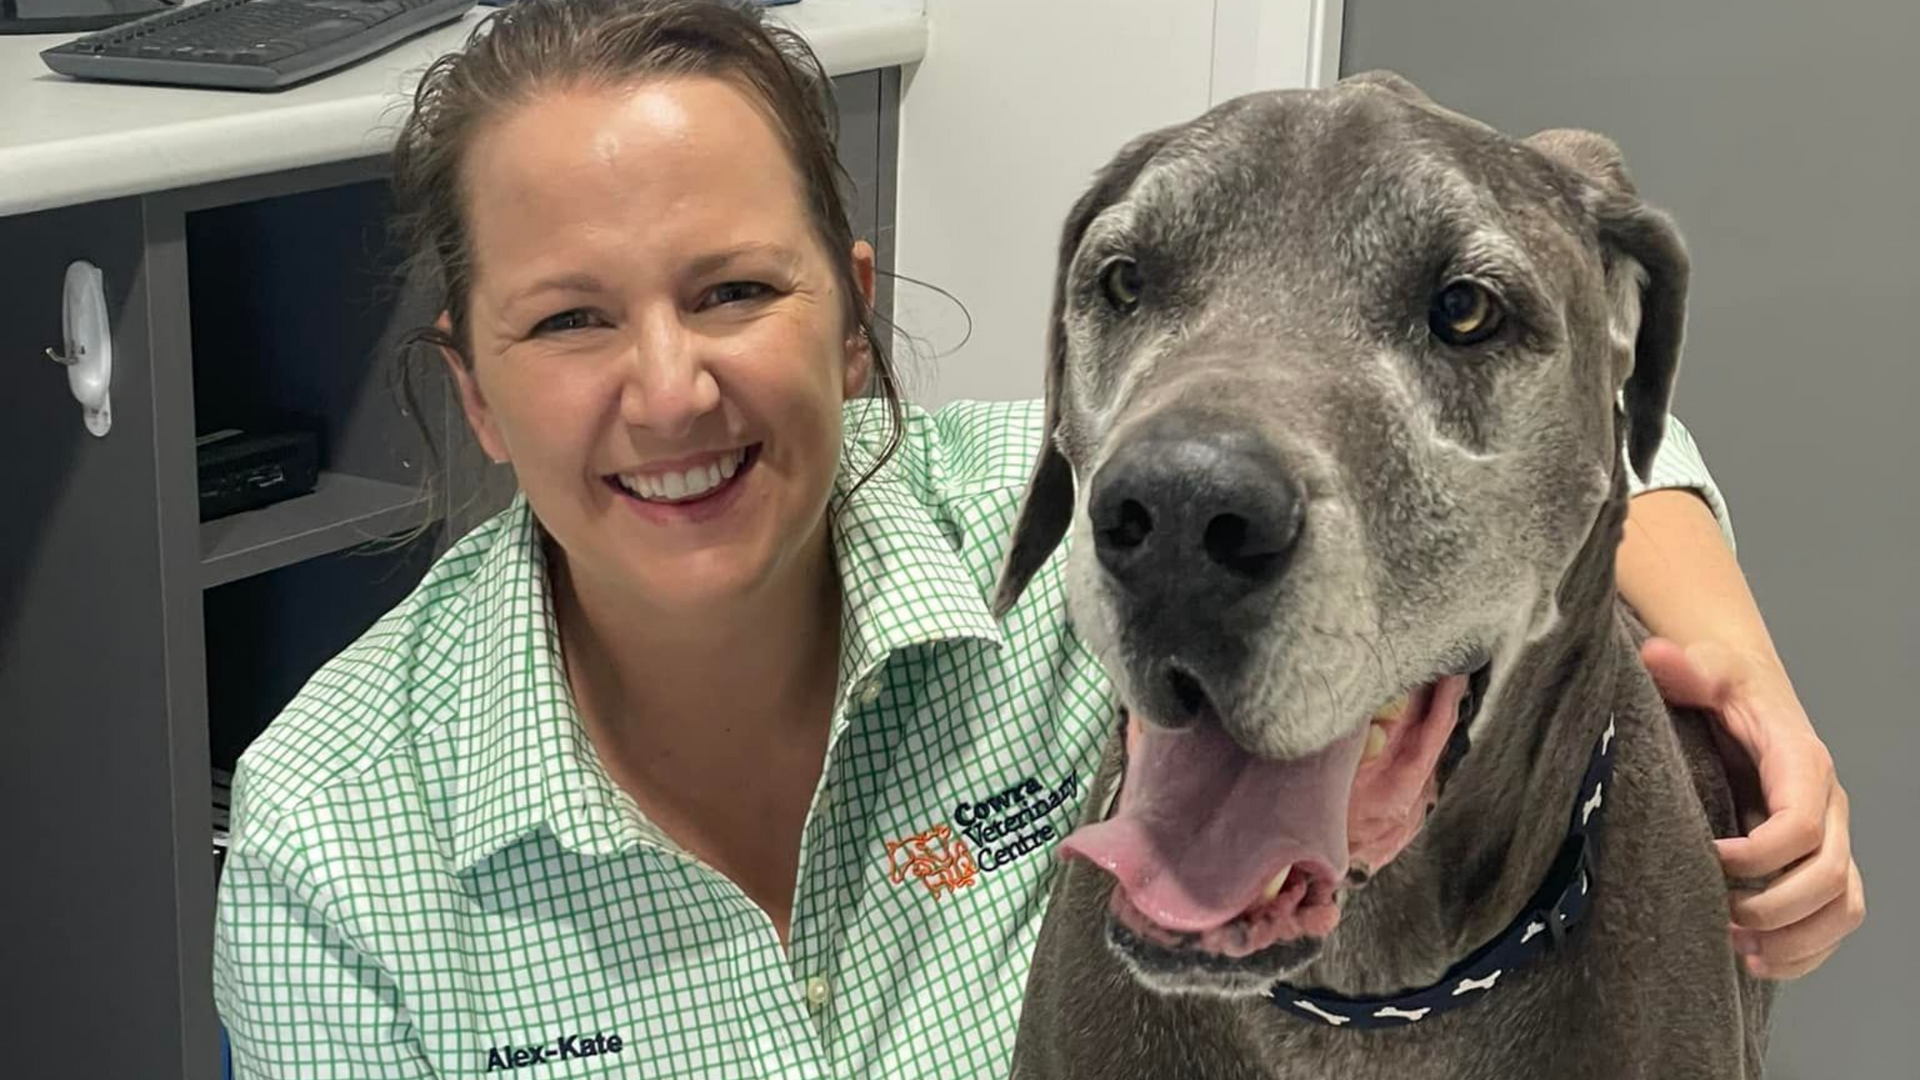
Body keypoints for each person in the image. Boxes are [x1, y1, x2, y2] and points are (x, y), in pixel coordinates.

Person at [211, 0, 1865, 1076]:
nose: (669, 390)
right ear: (475, 393)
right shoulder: (329, 844)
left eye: (736, 291)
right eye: (569, 320)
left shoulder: (1064, 511)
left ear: (853, 327)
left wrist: (1742, 668)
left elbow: (1608, 442)